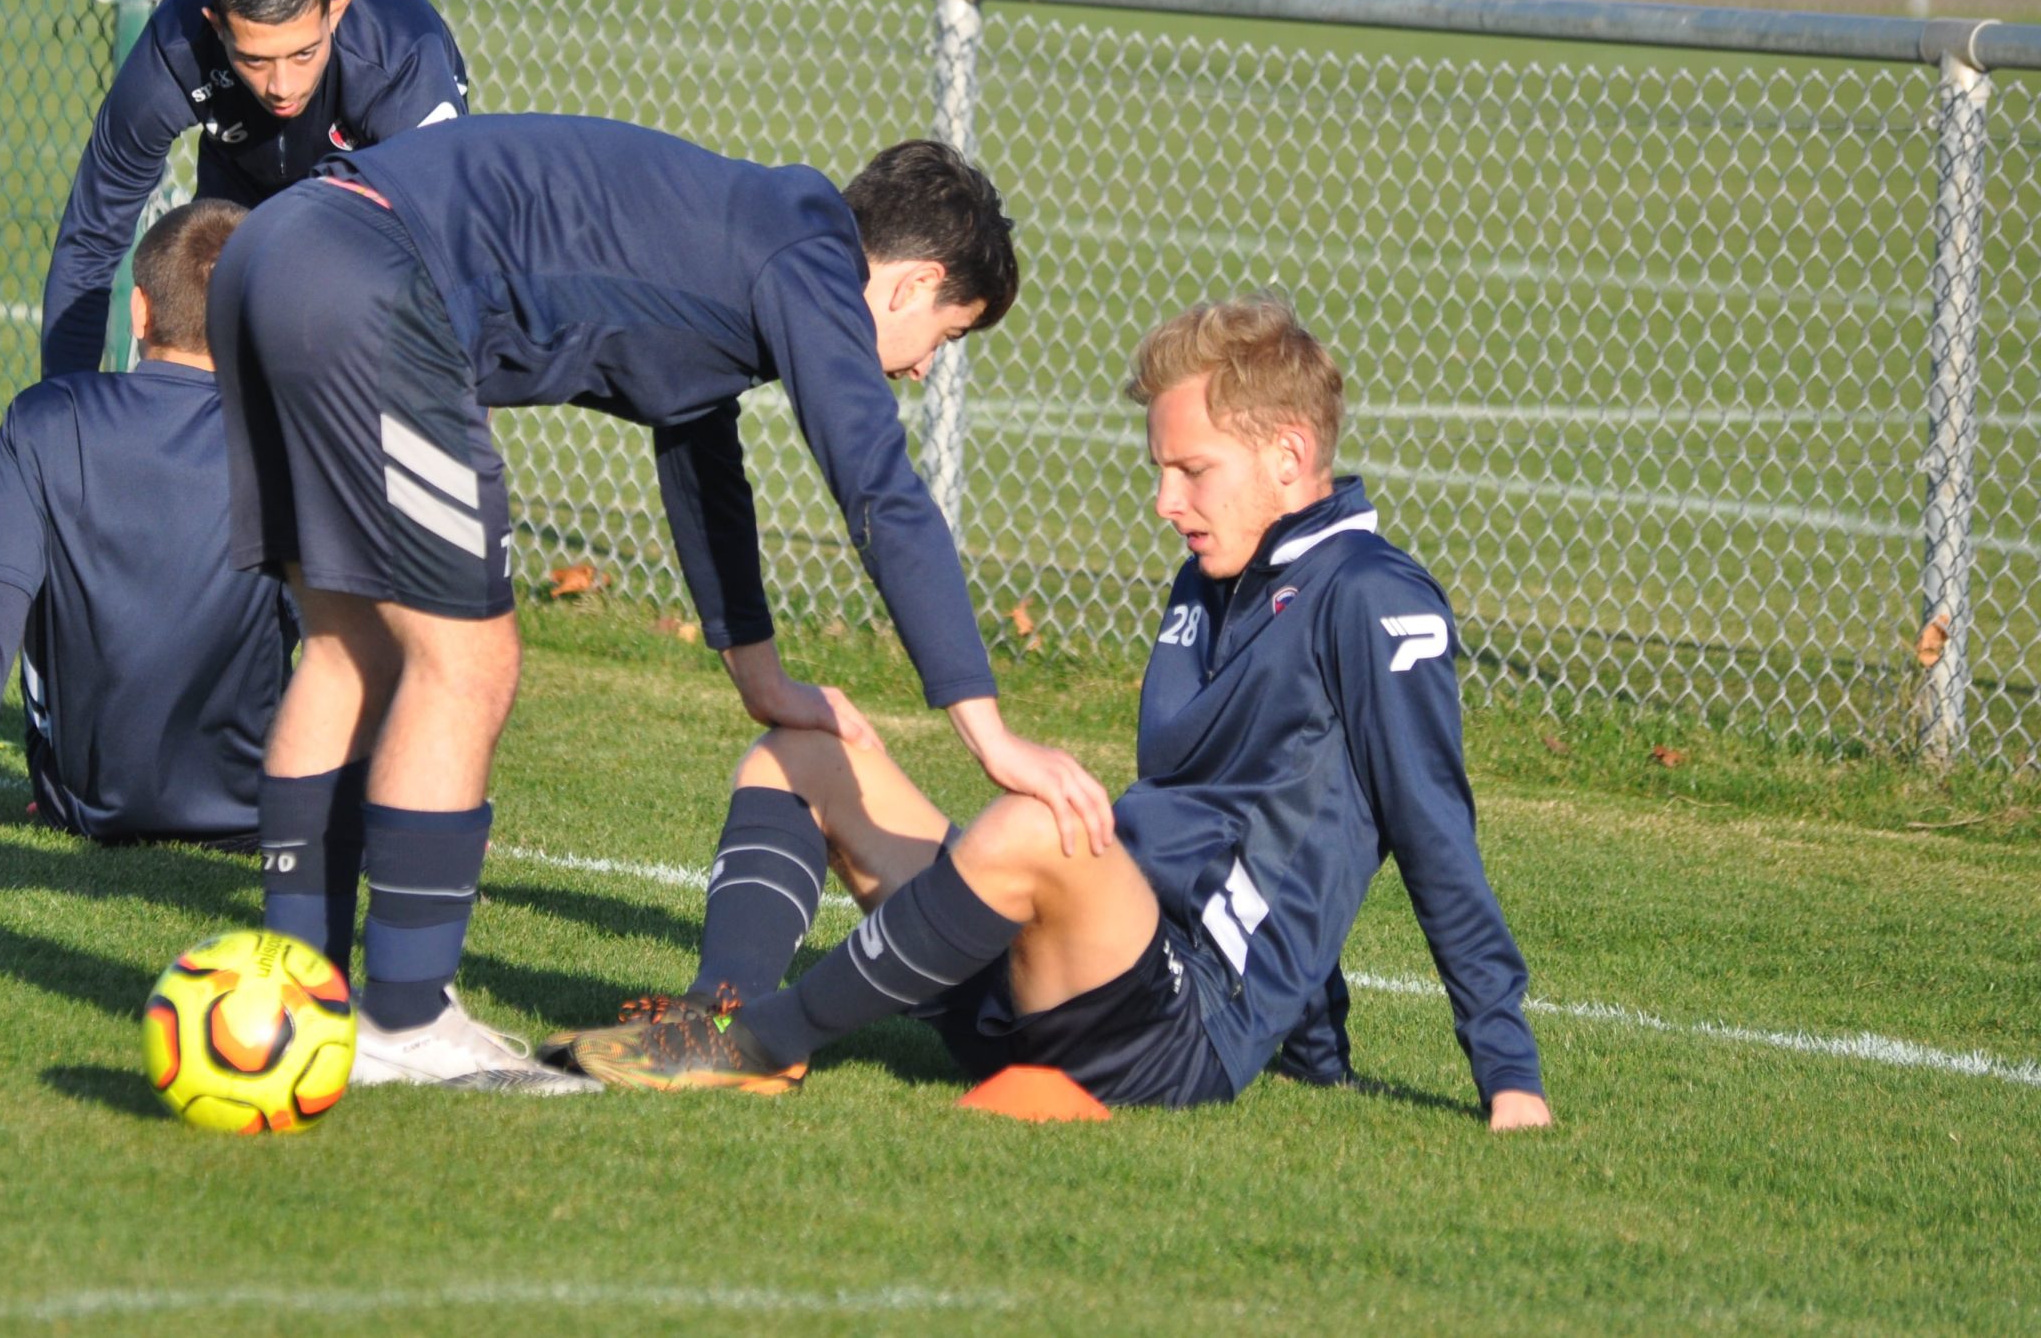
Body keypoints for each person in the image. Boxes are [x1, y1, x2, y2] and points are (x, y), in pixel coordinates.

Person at [207, 115, 1110, 1094]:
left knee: (350, 650)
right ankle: (406, 1019)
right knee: (466, 659)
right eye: (947, 332)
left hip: (273, 248)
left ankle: (300, 994)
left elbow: (700, 454)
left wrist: (759, 676)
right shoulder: (810, 253)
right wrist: (988, 732)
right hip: (373, 279)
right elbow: (881, 491)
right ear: (912, 282)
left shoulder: (755, 236)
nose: (924, 364)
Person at [562, 295, 1555, 1131]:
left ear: (1289, 456)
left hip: (1174, 1026)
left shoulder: (1378, 597)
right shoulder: (1210, 578)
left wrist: (1507, 1072)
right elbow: (1239, 811)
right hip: (1072, 973)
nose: (1166, 500)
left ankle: (764, 1041)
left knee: (1041, 822)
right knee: (802, 750)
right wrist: (1318, 1047)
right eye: (1160, 469)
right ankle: (710, 1013)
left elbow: (1423, 826)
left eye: (1191, 468)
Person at [0, 199, 296, 851]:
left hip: (86, 804)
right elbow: (351, 642)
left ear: (139, 311)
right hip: (257, 814)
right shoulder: (293, 436)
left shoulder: (46, 419)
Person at [40, 0, 471, 380]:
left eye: (303, 53)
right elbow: (91, 239)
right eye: (255, 59)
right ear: (217, 28)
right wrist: (64, 415)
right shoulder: (175, 49)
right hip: (243, 165)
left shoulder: (399, 61)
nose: (282, 87)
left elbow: (463, 264)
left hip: (373, 172)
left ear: (336, 15)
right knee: (198, 309)